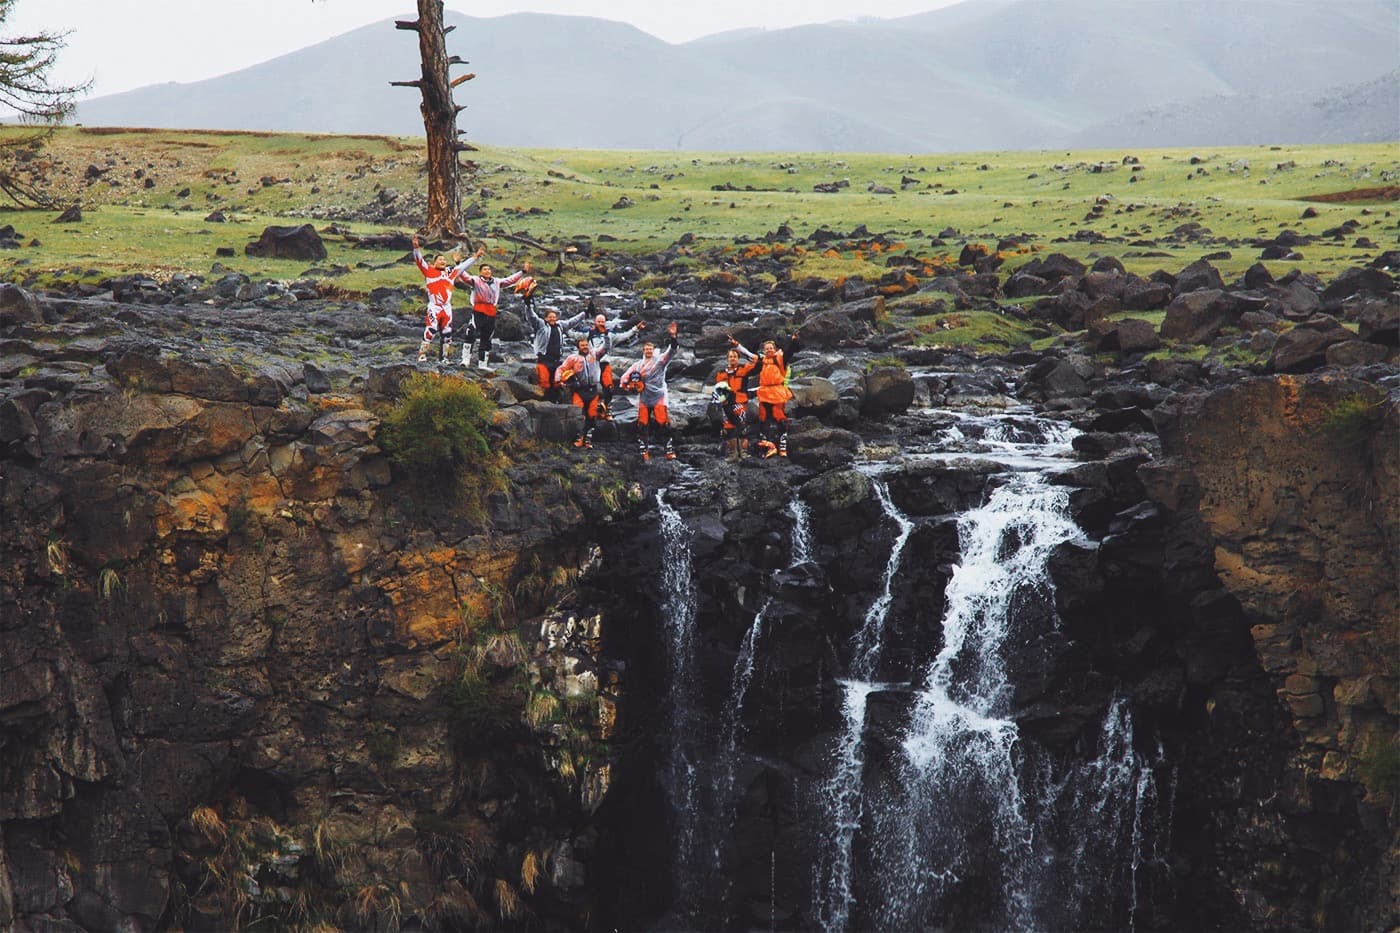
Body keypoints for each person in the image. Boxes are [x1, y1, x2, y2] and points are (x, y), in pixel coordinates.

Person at [456, 248, 532, 371]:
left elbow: (510, 280)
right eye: (485, 269)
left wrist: (522, 272)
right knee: (471, 332)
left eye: (489, 269)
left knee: (487, 338)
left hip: (491, 311)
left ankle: (483, 364)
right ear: (480, 272)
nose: (488, 271)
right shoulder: (475, 280)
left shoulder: (496, 282)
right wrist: (458, 264)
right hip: (479, 310)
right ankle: (465, 360)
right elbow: (464, 276)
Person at [619, 322, 680, 462]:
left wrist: (673, 337)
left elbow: (672, 352)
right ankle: (644, 451)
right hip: (644, 398)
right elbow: (623, 379)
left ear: (653, 350)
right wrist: (629, 387)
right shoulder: (637, 366)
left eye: (650, 348)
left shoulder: (660, 362)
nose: (648, 351)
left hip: (659, 396)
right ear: (643, 351)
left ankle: (669, 450)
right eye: (646, 349)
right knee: (642, 424)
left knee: (663, 423)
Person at [409, 234, 474, 363]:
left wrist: (475, 257)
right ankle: (422, 354)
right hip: (434, 307)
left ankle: (444, 358)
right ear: (434, 262)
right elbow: (419, 260)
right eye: (440, 260)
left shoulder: (450, 273)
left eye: (444, 260)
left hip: (447, 307)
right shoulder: (429, 271)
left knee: (447, 333)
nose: (443, 261)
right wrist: (416, 248)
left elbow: (463, 267)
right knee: (431, 329)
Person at [735, 331, 800, 459]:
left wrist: (793, 340)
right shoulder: (762, 361)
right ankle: (769, 446)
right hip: (765, 392)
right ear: (764, 351)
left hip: (777, 392)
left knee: (779, 416)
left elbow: (789, 352)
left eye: (771, 348)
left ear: (775, 349)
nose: (769, 350)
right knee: (764, 418)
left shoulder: (779, 359)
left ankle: (782, 447)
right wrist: (736, 345)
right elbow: (748, 355)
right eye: (767, 349)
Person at [580, 305, 646, 417]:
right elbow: (575, 336)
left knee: (609, 388)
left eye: (603, 321)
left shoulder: (610, 335)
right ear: (595, 322)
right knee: (590, 389)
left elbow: (624, 336)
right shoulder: (588, 333)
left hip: (604, 364)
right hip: (591, 365)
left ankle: (605, 407)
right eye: (599, 321)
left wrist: (636, 329)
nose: (601, 323)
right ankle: (589, 411)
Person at [555, 337, 608, 450]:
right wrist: (559, 380)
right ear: (578, 347)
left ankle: (588, 439)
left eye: (586, 345)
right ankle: (579, 438)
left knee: (592, 415)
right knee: (579, 415)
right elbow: (561, 369)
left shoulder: (595, 355)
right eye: (582, 345)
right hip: (579, 390)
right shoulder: (572, 358)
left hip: (593, 390)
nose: (585, 347)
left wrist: (607, 336)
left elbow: (606, 348)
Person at [525, 304, 586, 401]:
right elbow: (531, 317)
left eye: (554, 317)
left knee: (557, 382)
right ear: (546, 318)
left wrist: (583, 314)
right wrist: (528, 306)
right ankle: (545, 403)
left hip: (556, 360)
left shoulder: (560, 325)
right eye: (550, 317)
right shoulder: (541, 325)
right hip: (544, 359)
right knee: (544, 382)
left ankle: (556, 401)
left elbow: (571, 322)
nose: (552, 319)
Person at [714, 337, 760, 462]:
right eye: (730, 356)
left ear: (738, 358)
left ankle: (743, 453)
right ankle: (732, 454)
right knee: (728, 427)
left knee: (741, 427)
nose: (733, 358)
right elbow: (718, 389)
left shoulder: (744, 369)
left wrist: (738, 345)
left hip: (740, 401)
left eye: (735, 356)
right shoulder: (721, 373)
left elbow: (756, 361)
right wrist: (720, 402)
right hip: (726, 403)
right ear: (727, 358)